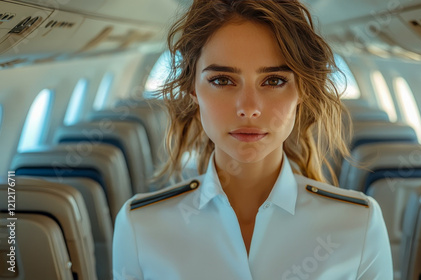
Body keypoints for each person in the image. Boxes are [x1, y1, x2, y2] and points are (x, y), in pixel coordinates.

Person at [113, 0, 393, 279]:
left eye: (273, 81)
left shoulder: (360, 226)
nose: (248, 107)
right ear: (193, 91)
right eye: (222, 80)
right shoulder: (140, 227)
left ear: (302, 92)